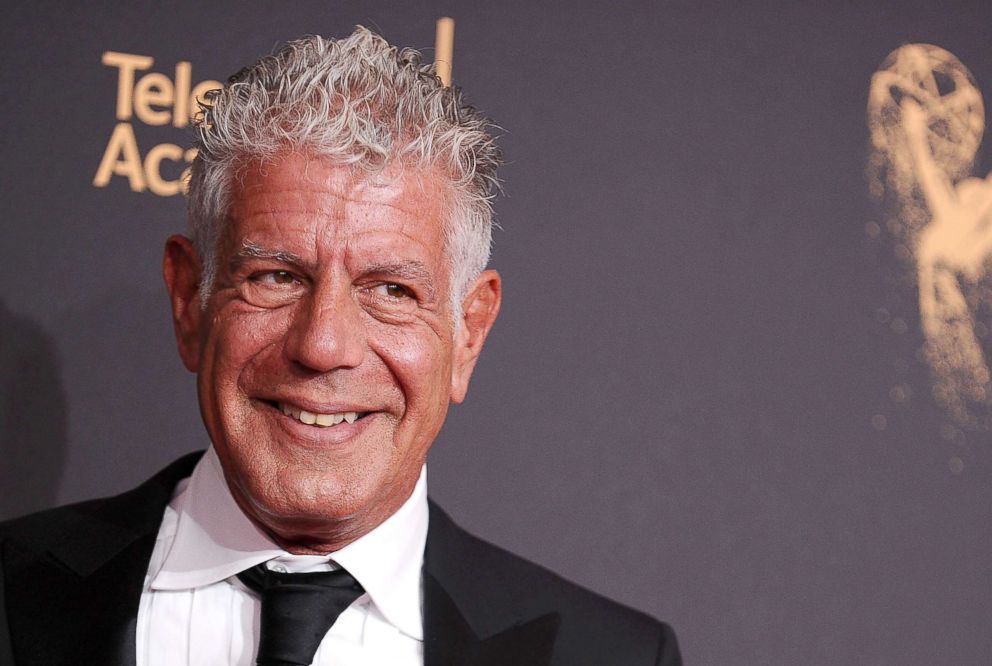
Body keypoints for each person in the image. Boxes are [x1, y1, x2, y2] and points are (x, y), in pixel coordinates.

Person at [0, 27, 681, 666]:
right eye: (276, 277)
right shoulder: (12, 593)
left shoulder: (609, 655)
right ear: (189, 301)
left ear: (469, 332)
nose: (324, 346)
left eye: (390, 290)